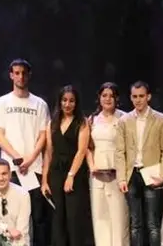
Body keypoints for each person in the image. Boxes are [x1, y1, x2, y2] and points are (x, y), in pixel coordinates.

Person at [0, 60, 50, 246]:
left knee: (38, 218)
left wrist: (30, 159)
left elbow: (43, 135)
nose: (20, 77)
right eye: (16, 73)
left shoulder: (40, 104)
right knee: (12, 217)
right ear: (11, 75)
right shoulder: (2, 103)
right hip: (11, 170)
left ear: (29, 75)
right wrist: (17, 157)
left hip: (35, 168)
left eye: (24, 73)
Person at [116, 81, 163, 246]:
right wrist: (121, 178)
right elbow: (120, 152)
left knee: (152, 224)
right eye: (135, 96)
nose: (138, 100)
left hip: (151, 175)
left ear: (148, 97)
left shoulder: (161, 119)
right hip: (131, 175)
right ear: (131, 98)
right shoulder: (124, 120)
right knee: (135, 224)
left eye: (141, 96)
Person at [40, 85, 93, 246]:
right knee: (58, 217)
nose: (67, 104)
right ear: (60, 101)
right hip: (56, 172)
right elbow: (49, 153)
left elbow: (81, 151)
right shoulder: (52, 123)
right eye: (64, 100)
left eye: (71, 101)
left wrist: (71, 175)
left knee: (74, 217)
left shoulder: (82, 122)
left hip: (75, 173)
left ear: (76, 103)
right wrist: (44, 180)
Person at [87, 82, 128, 246]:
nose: (108, 99)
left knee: (119, 219)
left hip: (117, 176)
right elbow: (88, 147)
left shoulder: (124, 118)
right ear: (99, 98)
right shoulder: (92, 120)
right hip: (97, 176)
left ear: (117, 98)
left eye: (111, 96)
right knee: (100, 219)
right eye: (104, 95)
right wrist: (92, 166)